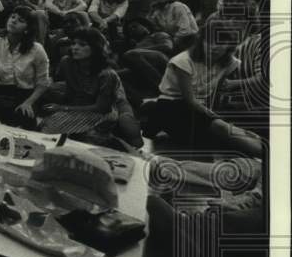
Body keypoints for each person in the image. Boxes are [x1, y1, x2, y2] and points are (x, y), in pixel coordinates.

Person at [144, 15, 264, 157]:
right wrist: (217, 119)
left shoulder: (230, 63)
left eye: (221, 43)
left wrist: (221, 119)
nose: (213, 48)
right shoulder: (183, 61)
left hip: (200, 108)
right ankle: (268, 155)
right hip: (173, 106)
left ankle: (269, 148)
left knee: (229, 132)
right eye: (209, 42)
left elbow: (215, 94)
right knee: (221, 129)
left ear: (229, 46)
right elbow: (190, 100)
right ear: (202, 42)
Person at [43, 28, 142, 149]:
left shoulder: (107, 74)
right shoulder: (66, 63)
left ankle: (110, 137)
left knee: (128, 131)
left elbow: (102, 108)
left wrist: (63, 108)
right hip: (82, 104)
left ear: (95, 48)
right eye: (74, 43)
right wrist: (57, 107)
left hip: (109, 108)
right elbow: (70, 93)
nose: (75, 47)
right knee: (47, 126)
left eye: (82, 45)